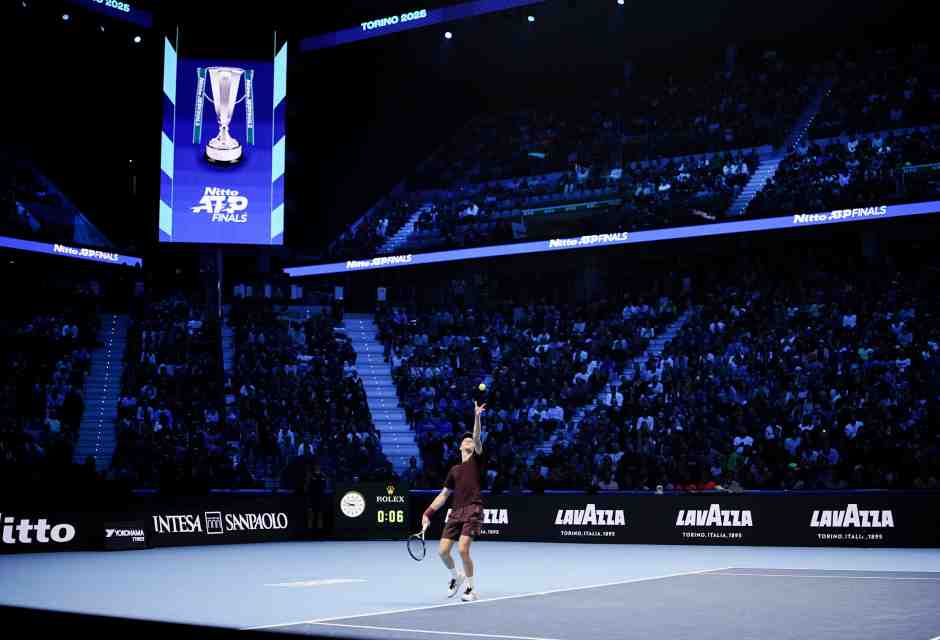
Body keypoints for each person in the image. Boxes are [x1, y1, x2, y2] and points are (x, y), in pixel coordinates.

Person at [422, 401, 486, 602]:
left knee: (462, 549)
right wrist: (427, 513)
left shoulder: (477, 460)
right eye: (464, 439)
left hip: (474, 508)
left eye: (470, 440)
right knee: (442, 552)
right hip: (456, 512)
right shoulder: (454, 470)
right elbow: (443, 495)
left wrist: (477, 416)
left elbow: (476, 437)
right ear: (459, 446)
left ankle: (471, 588)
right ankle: (455, 577)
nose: (468, 440)